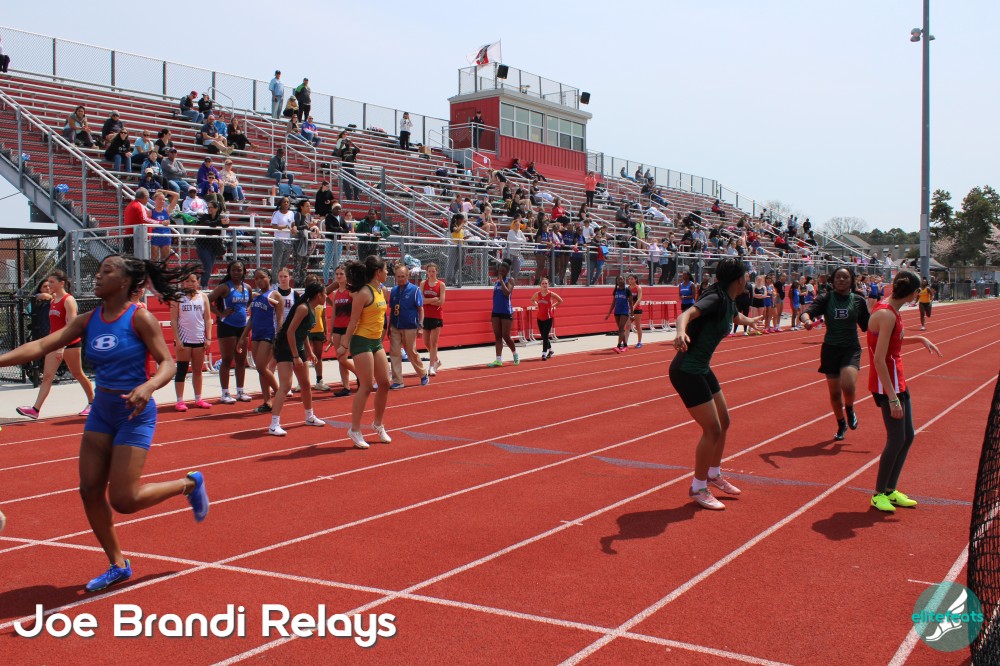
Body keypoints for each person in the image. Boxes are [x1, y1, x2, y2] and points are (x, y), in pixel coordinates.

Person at [0, 255, 209, 591]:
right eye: (98, 271)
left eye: (106, 271)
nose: (97, 276)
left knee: (124, 500)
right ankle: (118, 564)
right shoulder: (88, 320)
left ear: (125, 282)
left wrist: (148, 386)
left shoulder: (139, 318)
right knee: (89, 491)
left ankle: (188, 484)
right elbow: (40, 345)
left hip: (134, 413)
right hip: (102, 410)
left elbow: (167, 364)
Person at [671, 258, 763, 510]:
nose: (748, 279)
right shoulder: (715, 298)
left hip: (701, 367)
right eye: (746, 276)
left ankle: (713, 474)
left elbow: (734, 315)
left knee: (724, 421)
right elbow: (686, 314)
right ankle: (698, 487)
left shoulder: (728, 299)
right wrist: (680, 332)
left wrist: (749, 321)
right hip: (686, 371)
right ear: (740, 280)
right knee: (712, 429)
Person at [867, 271, 942, 512]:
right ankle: (878, 494)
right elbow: (878, 359)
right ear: (914, 293)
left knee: (908, 436)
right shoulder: (886, 314)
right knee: (897, 438)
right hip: (886, 384)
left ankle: (891, 489)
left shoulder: (892, 310)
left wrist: (919, 339)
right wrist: (892, 399)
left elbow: (893, 342)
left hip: (897, 379)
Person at [799, 267, 871, 441]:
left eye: (845, 277)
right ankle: (841, 423)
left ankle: (850, 408)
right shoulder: (825, 298)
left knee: (848, 385)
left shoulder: (858, 301)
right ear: (833, 280)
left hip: (850, 348)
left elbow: (868, 326)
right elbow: (806, 313)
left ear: (852, 280)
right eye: (838, 277)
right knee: (834, 394)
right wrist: (807, 321)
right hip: (830, 349)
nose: (841, 280)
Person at [16, 270, 96, 419]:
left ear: (61, 283)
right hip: (55, 343)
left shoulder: (68, 300)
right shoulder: (53, 299)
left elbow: (71, 326)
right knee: (47, 376)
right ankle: (35, 409)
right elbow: (43, 296)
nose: (49, 285)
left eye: (52, 282)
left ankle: (93, 403)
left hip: (70, 344)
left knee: (78, 373)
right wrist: (41, 296)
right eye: (48, 283)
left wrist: (61, 346)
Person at [337, 256, 392, 448]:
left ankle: (378, 424)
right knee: (366, 386)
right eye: (385, 269)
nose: (387, 272)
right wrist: (344, 345)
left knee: (385, 383)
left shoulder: (382, 290)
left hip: (376, 342)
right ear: (378, 272)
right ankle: (354, 429)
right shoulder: (363, 293)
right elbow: (352, 321)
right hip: (361, 342)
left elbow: (381, 318)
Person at [267, 282, 328, 436]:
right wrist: (295, 356)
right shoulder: (303, 308)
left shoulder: (313, 309)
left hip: (298, 348)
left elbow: (304, 332)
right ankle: (274, 424)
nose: (327, 296)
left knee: (306, 384)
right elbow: (290, 332)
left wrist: (309, 352)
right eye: (325, 293)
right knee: (286, 385)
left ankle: (309, 416)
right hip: (285, 348)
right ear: (318, 295)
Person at [208, 261, 253, 405]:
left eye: (239, 270)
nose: (236, 273)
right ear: (229, 271)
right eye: (233, 270)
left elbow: (250, 301)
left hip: (242, 327)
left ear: (244, 272)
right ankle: (225, 393)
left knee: (241, 360)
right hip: (227, 326)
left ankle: (240, 391)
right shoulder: (225, 287)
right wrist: (220, 313)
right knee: (227, 360)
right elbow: (207, 300)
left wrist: (246, 309)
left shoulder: (247, 288)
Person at [239, 268, 283, 413]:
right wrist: (243, 337)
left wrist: (278, 337)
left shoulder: (275, 295)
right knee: (260, 369)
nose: (259, 281)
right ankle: (267, 401)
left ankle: (279, 392)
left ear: (269, 277)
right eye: (256, 278)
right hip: (256, 335)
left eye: (262, 277)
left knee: (261, 367)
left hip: (268, 334)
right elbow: (252, 319)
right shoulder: (256, 297)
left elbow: (279, 319)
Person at [170, 271, 213, 411]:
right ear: (183, 283)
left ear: (198, 282)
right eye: (187, 281)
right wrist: (177, 339)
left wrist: (208, 338)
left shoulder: (203, 297)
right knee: (182, 370)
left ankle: (198, 399)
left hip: (199, 339)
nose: (190, 284)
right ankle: (179, 401)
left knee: (198, 371)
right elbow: (174, 320)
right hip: (184, 340)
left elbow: (207, 319)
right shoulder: (178, 297)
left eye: (193, 281)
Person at [388, 264, 428, 389]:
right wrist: (389, 327)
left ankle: (423, 374)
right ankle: (398, 380)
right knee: (394, 353)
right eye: (398, 276)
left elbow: (420, 309)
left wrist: (420, 326)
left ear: (408, 276)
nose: (400, 279)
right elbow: (392, 309)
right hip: (395, 326)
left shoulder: (415, 290)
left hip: (410, 326)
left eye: (403, 276)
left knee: (411, 352)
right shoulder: (393, 291)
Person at [327, 265, 357, 397]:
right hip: (337, 329)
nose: (339, 276)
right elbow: (333, 314)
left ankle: (360, 376)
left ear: (346, 276)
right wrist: (331, 332)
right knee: (340, 359)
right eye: (337, 274)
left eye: (341, 274)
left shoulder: (351, 291)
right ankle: (346, 386)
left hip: (347, 328)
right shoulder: (335, 293)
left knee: (343, 358)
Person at [487, 259, 519, 367]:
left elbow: (507, 293)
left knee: (506, 336)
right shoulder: (496, 282)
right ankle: (498, 359)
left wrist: (501, 281)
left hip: (506, 311)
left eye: (503, 271)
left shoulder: (510, 280)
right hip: (496, 312)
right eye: (500, 271)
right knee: (497, 336)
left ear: (507, 272)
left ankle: (515, 354)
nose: (501, 273)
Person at [419, 263, 445, 376]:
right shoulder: (423, 283)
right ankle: (437, 361)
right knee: (426, 342)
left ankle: (431, 367)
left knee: (433, 343)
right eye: (429, 271)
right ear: (427, 272)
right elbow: (421, 300)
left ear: (437, 272)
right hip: (425, 316)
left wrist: (428, 301)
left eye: (433, 271)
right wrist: (434, 299)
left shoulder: (441, 285)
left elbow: (441, 302)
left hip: (436, 316)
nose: (431, 273)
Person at [531, 278, 563, 360]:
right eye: (543, 283)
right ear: (540, 285)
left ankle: (544, 353)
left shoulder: (551, 294)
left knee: (545, 336)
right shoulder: (537, 294)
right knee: (543, 336)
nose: (544, 285)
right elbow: (532, 300)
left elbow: (560, 301)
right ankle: (551, 350)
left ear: (548, 285)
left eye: (546, 283)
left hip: (548, 318)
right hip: (539, 318)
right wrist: (536, 304)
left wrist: (553, 306)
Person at [606, 275, 634, 353]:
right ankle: (625, 345)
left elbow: (631, 303)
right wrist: (608, 313)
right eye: (618, 279)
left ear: (624, 280)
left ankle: (618, 346)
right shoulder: (616, 290)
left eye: (621, 279)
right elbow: (613, 303)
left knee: (621, 328)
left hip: (624, 311)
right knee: (621, 330)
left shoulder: (627, 290)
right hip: (617, 311)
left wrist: (632, 314)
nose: (619, 281)